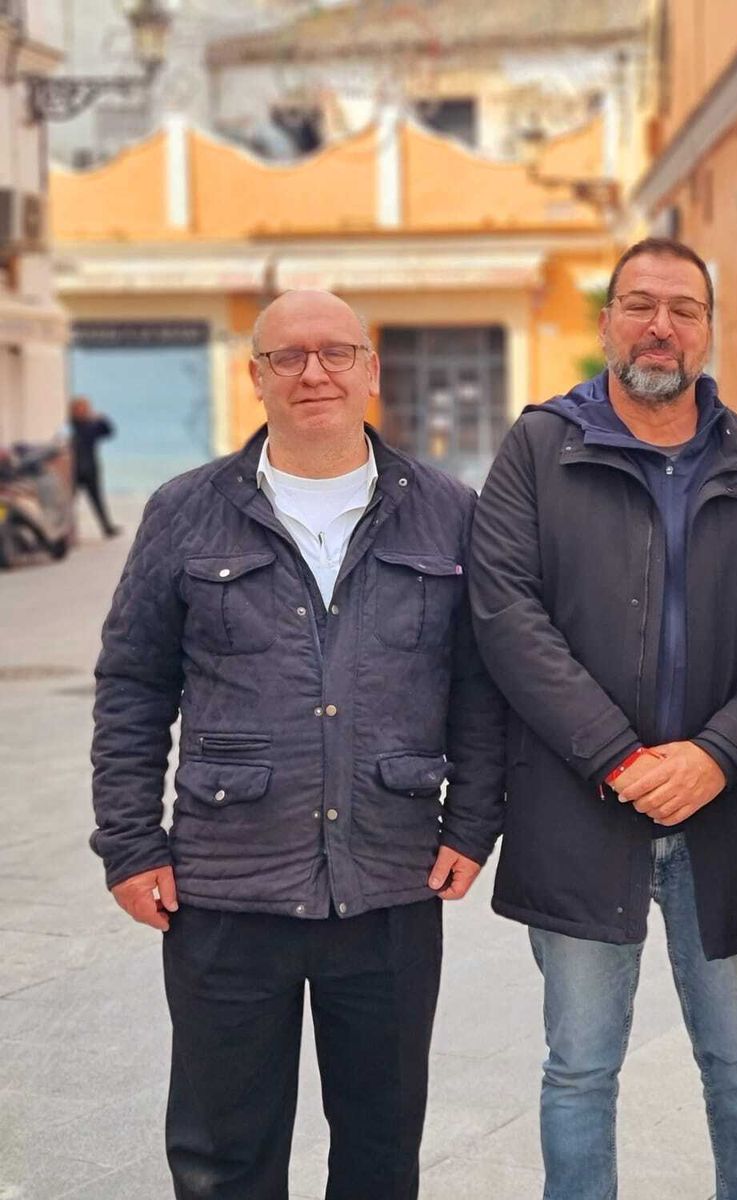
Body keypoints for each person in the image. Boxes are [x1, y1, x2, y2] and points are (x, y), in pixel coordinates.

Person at [90, 289, 506, 1199]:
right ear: (256, 378)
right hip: (226, 888)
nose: (313, 373)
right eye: (288, 356)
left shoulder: (447, 514)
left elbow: (481, 685)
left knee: (381, 1154)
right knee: (221, 1158)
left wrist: (472, 824)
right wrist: (128, 842)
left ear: (370, 370)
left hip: (389, 888)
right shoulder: (185, 512)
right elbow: (133, 684)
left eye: (335, 353)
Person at [469, 237, 737, 1200]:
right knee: (579, 1068)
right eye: (639, 304)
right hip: (579, 814)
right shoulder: (540, 447)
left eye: (684, 308)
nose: (660, 325)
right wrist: (618, 758)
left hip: (727, 813)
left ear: (709, 328)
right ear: (607, 322)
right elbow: (505, 615)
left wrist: (719, 754)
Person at [69, 395, 119, 537]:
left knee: (97, 501)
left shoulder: (91, 425)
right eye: (79, 408)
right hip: (73, 470)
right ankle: (68, 532)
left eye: (84, 408)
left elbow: (108, 432)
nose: (82, 411)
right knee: (69, 503)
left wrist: (101, 418)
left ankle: (107, 528)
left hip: (90, 469)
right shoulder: (71, 426)